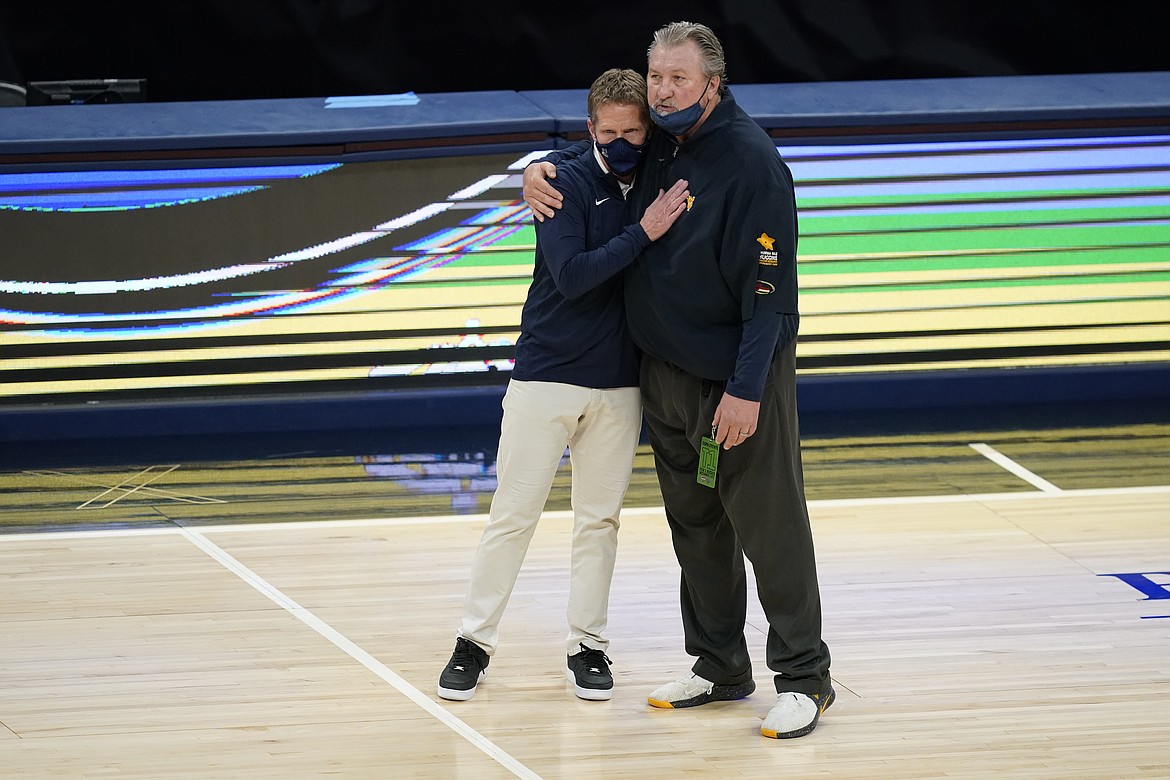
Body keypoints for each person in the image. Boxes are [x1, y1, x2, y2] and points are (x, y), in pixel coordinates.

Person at [523, 21, 834, 738]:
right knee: (697, 528)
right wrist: (536, 165)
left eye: (678, 80)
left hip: (732, 384)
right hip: (663, 381)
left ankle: (806, 678)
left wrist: (748, 389)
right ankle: (720, 664)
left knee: (771, 527)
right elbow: (600, 145)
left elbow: (772, 293)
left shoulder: (753, 163)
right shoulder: (661, 137)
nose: (662, 91)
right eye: (656, 76)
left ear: (712, 85)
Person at [437, 68, 689, 703]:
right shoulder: (561, 181)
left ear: (648, 128)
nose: (623, 140)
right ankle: (472, 642)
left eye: (633, 129)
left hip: (619, 385)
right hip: (546, 374)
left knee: (599, 522)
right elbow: (573, 276)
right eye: (610, 131)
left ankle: (589, 646)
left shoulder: (661, 172)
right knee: (512, 516)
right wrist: (643, 232)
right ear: (591, 131)